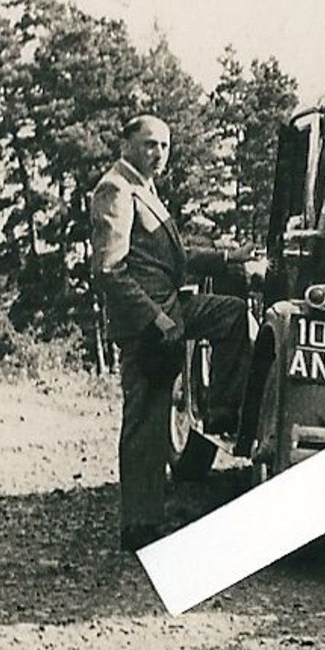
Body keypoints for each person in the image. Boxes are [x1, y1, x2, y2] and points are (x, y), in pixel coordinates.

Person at [90, 114, 257, 552]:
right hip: (148, 324)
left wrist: (229, 257)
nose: (158, 153)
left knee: (232, 315)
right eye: (149, 144)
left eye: (164, 146)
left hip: (171, 309)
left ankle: (220, 410)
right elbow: (110, 270)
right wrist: (155, 319)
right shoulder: (116, 190)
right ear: (126, 143)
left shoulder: (146, 189)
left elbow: (177, 261)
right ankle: (138, 527)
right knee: (146, 421)